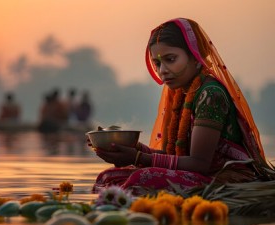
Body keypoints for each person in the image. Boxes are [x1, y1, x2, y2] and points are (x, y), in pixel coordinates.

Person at [92, 18, 275, 194]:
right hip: (197, 174)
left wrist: (138, 158)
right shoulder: (181, 93)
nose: (162, 70)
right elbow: (176, 155)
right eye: (157, 63)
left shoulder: (210, 94)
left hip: (224, 179)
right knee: (109, 177)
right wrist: (128, 148)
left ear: (196, 57)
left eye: (170, 59)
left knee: (142, 179)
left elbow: (199, 163)